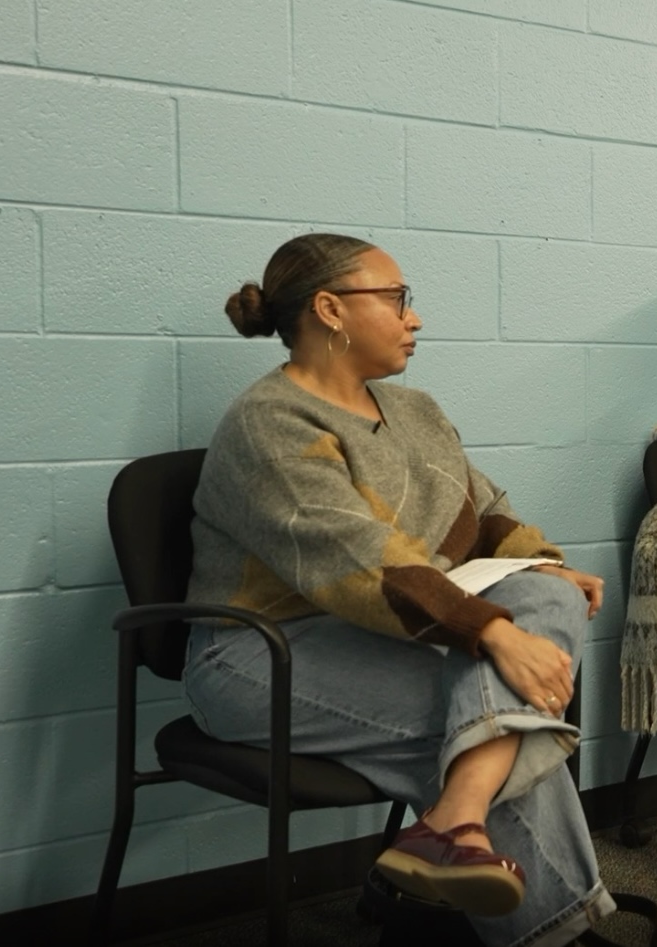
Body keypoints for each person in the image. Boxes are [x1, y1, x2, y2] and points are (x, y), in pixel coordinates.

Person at [182, 233, 620, 946]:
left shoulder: (414, 410)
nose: (413, 317)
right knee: (489, 714)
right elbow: (360, 566)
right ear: (330, 309)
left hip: (375, 634)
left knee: (547, 607)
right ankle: (539, 923)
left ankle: (450, 835)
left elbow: (486, 513)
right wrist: (495, 631)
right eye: (396, 299)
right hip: (257, 655)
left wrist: (544, 566)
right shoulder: (268, 423)